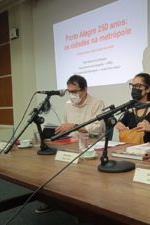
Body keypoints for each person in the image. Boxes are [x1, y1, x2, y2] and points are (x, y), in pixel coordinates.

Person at [35, 75, 105, 214]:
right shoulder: (67, 104)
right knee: (52, 166)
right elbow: (66, 127)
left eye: (75, 92)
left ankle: (88, 208)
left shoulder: (97, 103)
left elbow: (97, 128)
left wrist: (74, 126)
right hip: (71, 143)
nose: (72, 95)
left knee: (86, 178)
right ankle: (53, 200)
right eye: (69, 92)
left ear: (84, 89)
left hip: (91, 145)